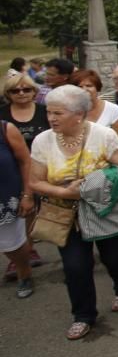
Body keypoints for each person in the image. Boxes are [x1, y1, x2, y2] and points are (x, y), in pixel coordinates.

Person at [28, 85, 118, 340]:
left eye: (58, 113)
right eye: (49, 113)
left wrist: (94, 183)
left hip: (103, 210)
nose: (51, 118)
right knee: (75, 266)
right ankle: (83, 315)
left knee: (115, 257)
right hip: (66, 214)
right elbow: (35, 182)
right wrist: (66, 193)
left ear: (78, 114)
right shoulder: (43, 141)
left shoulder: (103, 135)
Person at [1, 74, 48, 276]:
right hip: (16, 169)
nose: (21, 93)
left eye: (26, 89)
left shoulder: (45, 112)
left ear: (34, 92)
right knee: (25, 211)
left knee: (37, 210)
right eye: (15, 90)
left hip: (46, 165)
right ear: (8, 94)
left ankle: (29, 249)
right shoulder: (2, 115)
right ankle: (26, 251)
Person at [1, 119, 34, 299]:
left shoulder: (5, 129)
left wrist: (28, 195)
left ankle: (24, 271)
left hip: (5, 199)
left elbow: (26, 162)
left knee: (12, 244)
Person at [70, 70, 118, 148]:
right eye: (79, 87)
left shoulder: (113, 109)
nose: (84, 90)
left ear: (97, 88)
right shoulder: (68, 111)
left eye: (89, 86)